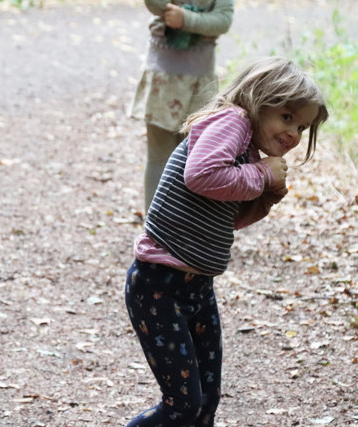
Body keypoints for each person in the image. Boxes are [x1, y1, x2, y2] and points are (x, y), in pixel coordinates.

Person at [124, 57, 328, 426]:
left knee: (205, 402)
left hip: (197, 286)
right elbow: (201, 176)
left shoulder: (247, 151)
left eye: (302, 126)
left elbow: (225, 219)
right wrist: (262, 174)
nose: (295, 133)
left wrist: (266, 194)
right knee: (182, 405)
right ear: (258, 100)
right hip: (159, 284)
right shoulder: (231, 120)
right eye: (287, 117)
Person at [122, 0, 237, 212]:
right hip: (164, 77)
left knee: (197, 157)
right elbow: (158, 4)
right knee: (158, 155)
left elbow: (224, 19)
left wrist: (187, 20)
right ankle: (154, 230)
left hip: (201, 81)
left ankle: (187, 227)